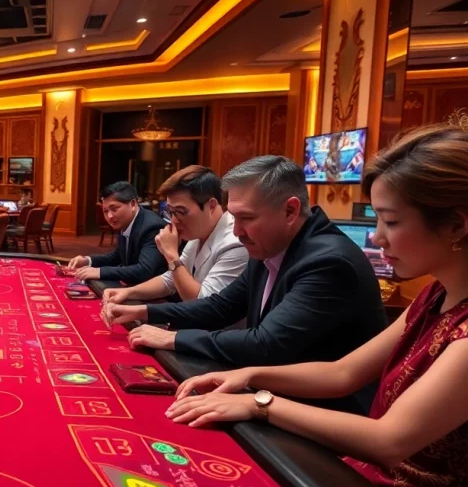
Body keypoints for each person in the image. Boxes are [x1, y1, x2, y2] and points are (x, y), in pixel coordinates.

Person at [166, 125, 468, 487]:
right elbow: (343, 372)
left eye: (391, 221)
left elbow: (389, 441)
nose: (377, 237)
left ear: (456, 225)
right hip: (371, 486)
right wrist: (248, 375)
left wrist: (259, 403)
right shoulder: (436, 294)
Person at [103, 156, 385, 382]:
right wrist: (143, 311)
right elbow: (219, 306)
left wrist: (173, 338)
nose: (237, 232)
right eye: (234, 217)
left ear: (290, 211)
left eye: (246, 218)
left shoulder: (328, 262)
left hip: (328, 415)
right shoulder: (271, 245)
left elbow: (265, 344)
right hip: (274, 383)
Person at [103, 166, 247, 304]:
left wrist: (171, 255)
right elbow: (170, 280)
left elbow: (204, 303)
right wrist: (129, 292)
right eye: (171, 212)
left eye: (181, 212)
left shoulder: (235, 242)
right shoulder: (198, 231)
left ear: (211, 206)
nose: (173, 220)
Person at [67, 181, 169, 283]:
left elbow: (144, 270)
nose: (110, 216)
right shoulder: (127, 221)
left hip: (158, 294)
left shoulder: (152, 227)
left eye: (114, 209)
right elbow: (118, 256)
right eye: (105, 211)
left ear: (133, 204)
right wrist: (88, 261)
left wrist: (100, 272)